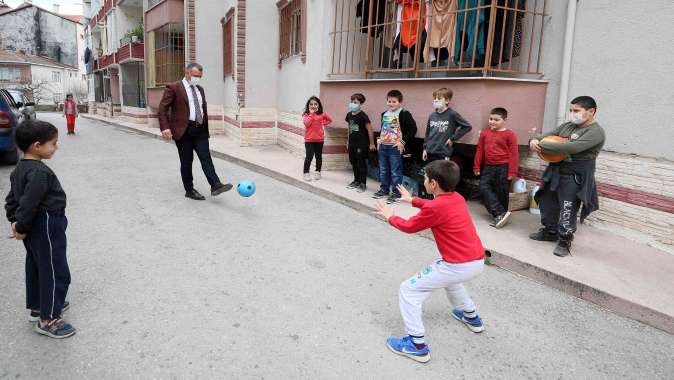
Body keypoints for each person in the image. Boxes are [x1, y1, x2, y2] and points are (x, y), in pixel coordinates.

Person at [374, 160, 486, 363]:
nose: (423, 180)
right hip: (475, 261)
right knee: (451, 280)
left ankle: (416, 345)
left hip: (457, 265)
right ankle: (471, 317)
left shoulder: (436, 207)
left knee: (408, 290)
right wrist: (413, 200)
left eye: (425, 178)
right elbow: (435, 206)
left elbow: (409, 226)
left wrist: (390, 216)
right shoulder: (457, 197)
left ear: (433, 184)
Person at [4, 120, 75, 339]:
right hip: (45, 224)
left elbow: (12, 200)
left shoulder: (20, 169)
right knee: (55, 270)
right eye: (53, 143)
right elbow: (30, 202)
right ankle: (49, 319)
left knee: (36, 266)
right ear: (37, 146)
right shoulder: (39, 173)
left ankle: (39, 306)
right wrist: (21, 225)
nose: (56, 147)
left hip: (35, 226)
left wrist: (15, 221)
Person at [528, 96, 605, 257]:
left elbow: (571, 147)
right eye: (571, 110)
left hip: (574, 175)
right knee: (547, 201)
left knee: (568, 207)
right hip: (555, 171)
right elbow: (546, 135)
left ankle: (564, 239)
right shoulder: (568, 126)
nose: (572, 114)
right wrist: (534, 139)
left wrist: (540, 144)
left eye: (576, 111)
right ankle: (550, 231)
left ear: (591, 111)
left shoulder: (595, 132)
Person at [158, 63, 233, 200]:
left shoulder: (200, 89)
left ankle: (215, 185)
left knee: (206, 157)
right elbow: (162, 108)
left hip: (200, 130)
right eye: (195, 76)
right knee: (187, 161)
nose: (197, 79)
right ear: (187, 73)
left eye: (200, 76)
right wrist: (165, 127)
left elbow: (202, 109)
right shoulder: (174, 87)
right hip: (184, 131)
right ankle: (189, 190)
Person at [473, 107, 519, 228]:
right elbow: (480, 150)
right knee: (483, 188)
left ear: (505, 120)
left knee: (502, 192)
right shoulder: (485, 133)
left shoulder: (510, 135)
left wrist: (512, 171)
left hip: (503, 167)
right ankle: (500, 212)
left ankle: (499, 216)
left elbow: (514, 154)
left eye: (496, 120)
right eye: (491, 119)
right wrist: (477, 166)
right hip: (488, 167)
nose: (492, 121)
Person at [373, 90, 417, 204]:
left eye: (394, 101)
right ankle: (384, 190)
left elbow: (413, 129)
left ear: (400, 102)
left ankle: (396, 194)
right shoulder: (384, 114)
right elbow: (384, 129)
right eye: (389, 101)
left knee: (395, 171)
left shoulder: (404, 113)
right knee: (383, 170)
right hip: (383, 146)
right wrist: (379, 140)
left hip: (395, 148)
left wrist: (402, 142)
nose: (391, 103)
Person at [422, 87, 472, 163]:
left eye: (439, 99)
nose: (436, 100)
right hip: (430, 152)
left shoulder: (452, 114)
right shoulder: (432, 115)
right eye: (434, 99)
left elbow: (467, 126)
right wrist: (425, 149)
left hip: (443, 153)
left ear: (447, 101)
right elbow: (427, 134)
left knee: (441, 174)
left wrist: (453, 138)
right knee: (431, 174)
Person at [345, 93, 375, 192]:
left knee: (361, 163)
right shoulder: (349, 115)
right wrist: (347, 141)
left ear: (360, 104)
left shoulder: (363, 116)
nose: (352, 104)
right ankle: (356, 180)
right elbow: (349, 128)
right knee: (353, 162)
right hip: (352, 144)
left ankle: (363, 183)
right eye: (351, 102)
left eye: (355, 102)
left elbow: (370, 129)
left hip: (361, 144)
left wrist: (371, 143)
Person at [302, 96, 333, 181]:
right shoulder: (306, 114)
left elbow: (330, 120)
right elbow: (307, 124)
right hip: (309, 140)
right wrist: (312, 114)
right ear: (308, 105)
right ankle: (306, 172)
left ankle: (318, 172)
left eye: (315, 104)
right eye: (311, 104)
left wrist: (323, 122)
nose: (313, 106)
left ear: (318, 105)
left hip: (319, 139)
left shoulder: (322, 114)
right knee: (309, 156)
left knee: (318, 156)